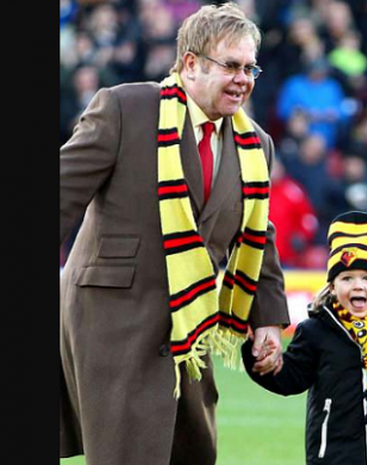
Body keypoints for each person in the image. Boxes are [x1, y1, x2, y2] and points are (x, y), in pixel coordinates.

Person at [59, 4, 290, 465]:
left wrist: (266, 318)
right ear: (190, 64)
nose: (243, 78)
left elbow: (258, 235)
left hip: (191, 329)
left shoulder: (255, 143)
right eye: (231, 66)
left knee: (193, 453)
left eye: (250, 68)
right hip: (112, 322)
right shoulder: (125, 107)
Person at [243, 211, 367, 465]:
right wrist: (260, 356)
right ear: (332, 287)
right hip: (334, 456)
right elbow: (289, 379)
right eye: (347, 278)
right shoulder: (315, 331)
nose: (358, 286)